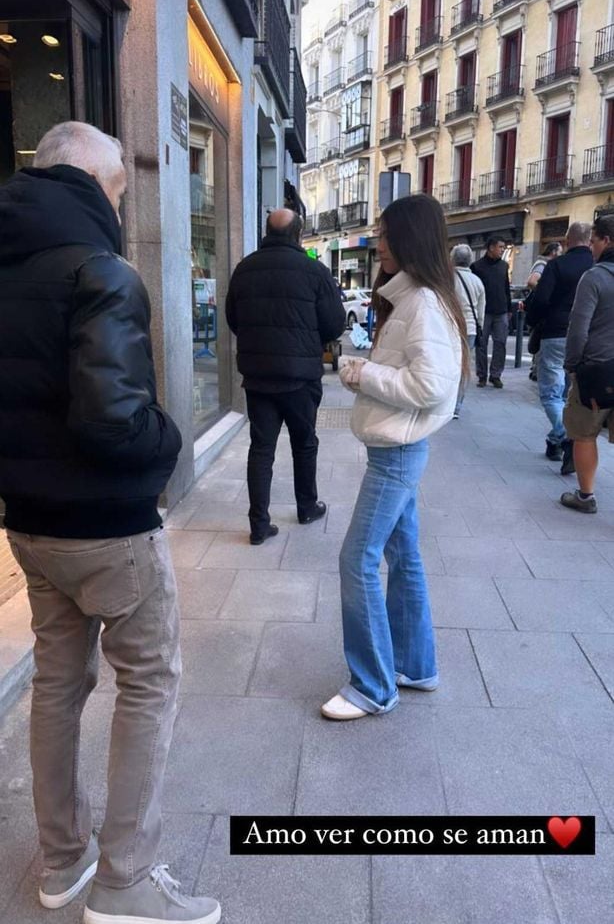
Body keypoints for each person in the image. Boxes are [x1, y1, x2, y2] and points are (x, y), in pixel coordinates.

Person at [0, 122, 220, 924]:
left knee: (58, 682)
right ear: (95, 181)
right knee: (149, 681)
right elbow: (114, 422)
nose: (123, 203)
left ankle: (63, 863)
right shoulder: (101, 271)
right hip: (108, 528)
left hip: (28, 521)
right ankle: (126, 882)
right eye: (123, 188)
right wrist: (171, 436)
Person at [321, 194, 465, 721]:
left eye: (384, 234)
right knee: (403, 557)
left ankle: (373, 686)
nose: (377, 242)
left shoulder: (422, 303)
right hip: (399, 450)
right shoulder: (414, 299)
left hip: (397, 455)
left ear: (408, 239)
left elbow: (431, 385)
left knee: (355, 559)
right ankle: (415, 664)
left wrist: (361, 373)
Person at [226, 209, 345, 545]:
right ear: (298, 233)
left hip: (258, 377)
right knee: (304, 443)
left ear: (267, 231)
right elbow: (335, 324)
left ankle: (258, 525)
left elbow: (234, 319)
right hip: (301, 377)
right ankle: (307, 506)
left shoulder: (244, 269)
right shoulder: (315, 271)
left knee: (261, 448)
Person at [525, 222, 593, 470]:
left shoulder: (557, 265)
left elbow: (541, 299)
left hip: (555, 332)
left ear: (567, 241)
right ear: (589, 240)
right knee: (569, 394)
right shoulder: (596, 268)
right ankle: (555, 441)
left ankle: (566, 436)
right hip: (587, 338)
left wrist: (532, 320)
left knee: (551, 393)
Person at [560, 215, 614, 513]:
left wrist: (573, 365)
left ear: (607, 241)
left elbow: (578, 327)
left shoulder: (594, 277)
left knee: (584, 433)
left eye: (593, 242)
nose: (591, 247)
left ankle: (585, 496)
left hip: (597, 368)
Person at [471, 238, 511, 388]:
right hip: (484, 311)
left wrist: (508, 308)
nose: (502, 250)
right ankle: (482, 375)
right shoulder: (477, 267)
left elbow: (506, 287)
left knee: (500, 343)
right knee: (482, 344)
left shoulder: (503, 266)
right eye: (500, 247)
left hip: (501, 311)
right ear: (491, 247)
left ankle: (496, 375)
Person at [451, 243, 485, 418]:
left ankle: (445, 402)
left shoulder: (447, 279)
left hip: (449, 327)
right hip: (470, 329)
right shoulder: (478, 282)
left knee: (448, 364)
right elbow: (481, 312)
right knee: (463, 367)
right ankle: (457, 406)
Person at [525, 242, 564, 381]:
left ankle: (535, 370)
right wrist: (546, 291)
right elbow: (531, 281)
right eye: (559, 252)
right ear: (553, 252)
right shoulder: (543, 264)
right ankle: (536, 371)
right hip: (539, 308)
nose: (561, 255)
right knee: (538, 340)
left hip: (538, 308)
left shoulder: (547, 264)